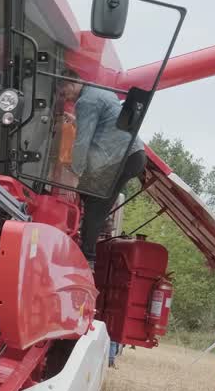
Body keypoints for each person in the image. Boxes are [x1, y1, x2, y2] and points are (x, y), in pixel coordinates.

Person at [57, 69, 148, 264]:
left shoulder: (85, 101)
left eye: (65, 93)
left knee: (93, 202)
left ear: (71, 83)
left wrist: (76, 172)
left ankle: (86, 259)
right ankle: (102, 224)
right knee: (96, 198)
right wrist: (76, 121)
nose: (67, 99)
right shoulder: (101, 91)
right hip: (134, 154)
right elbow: (107, 124)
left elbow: (82, 142)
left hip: (120, 157)